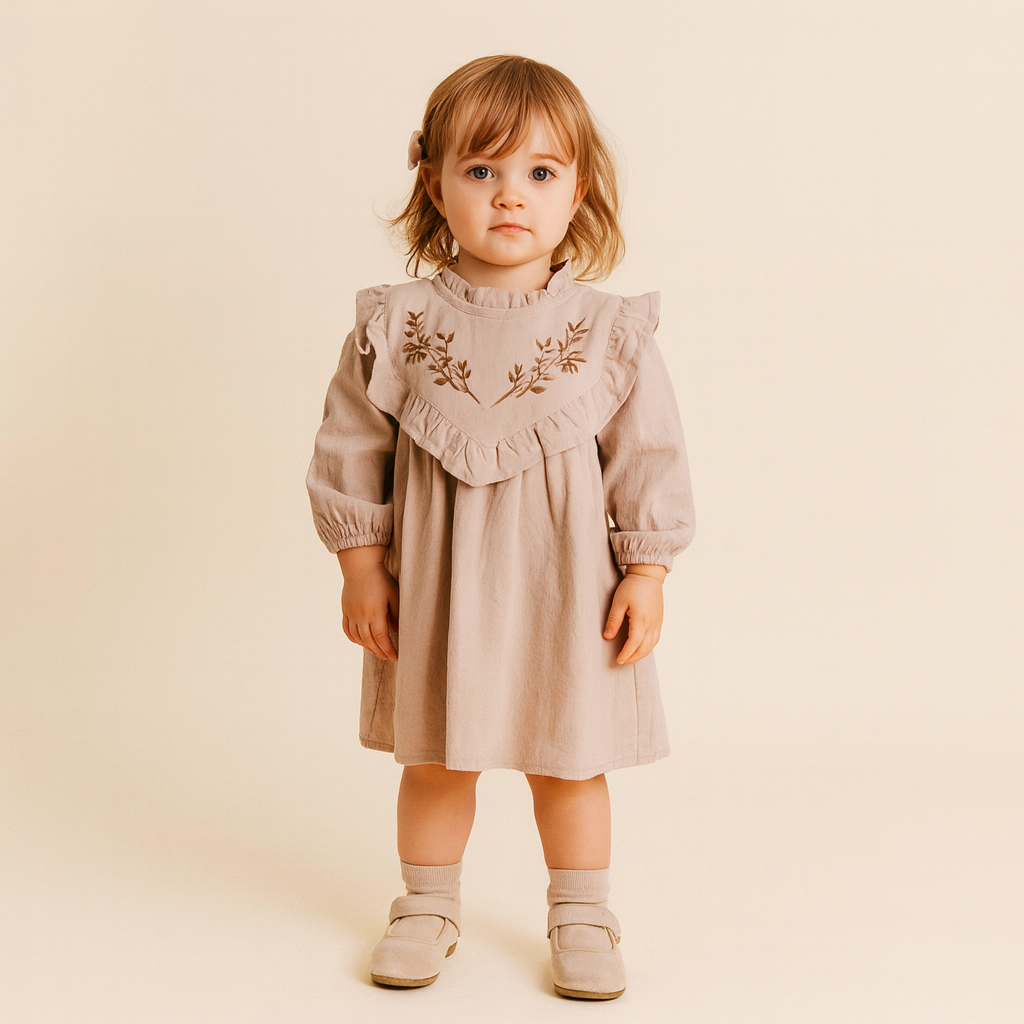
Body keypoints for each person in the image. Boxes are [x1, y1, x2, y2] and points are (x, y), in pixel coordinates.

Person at [307, 54, 695, 1000]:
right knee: (438, 759)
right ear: (433, 183)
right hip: (439, 589)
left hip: (566, 586)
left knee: (570, 765)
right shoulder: (396, 326)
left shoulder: (608, 332)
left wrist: (645, 571)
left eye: (539, 172)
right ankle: (427, 905)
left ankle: (582, 911)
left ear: (579, 190)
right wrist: (363, 565)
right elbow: (350, 446)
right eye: (480, 171)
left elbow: (647, 457)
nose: (508, 196)